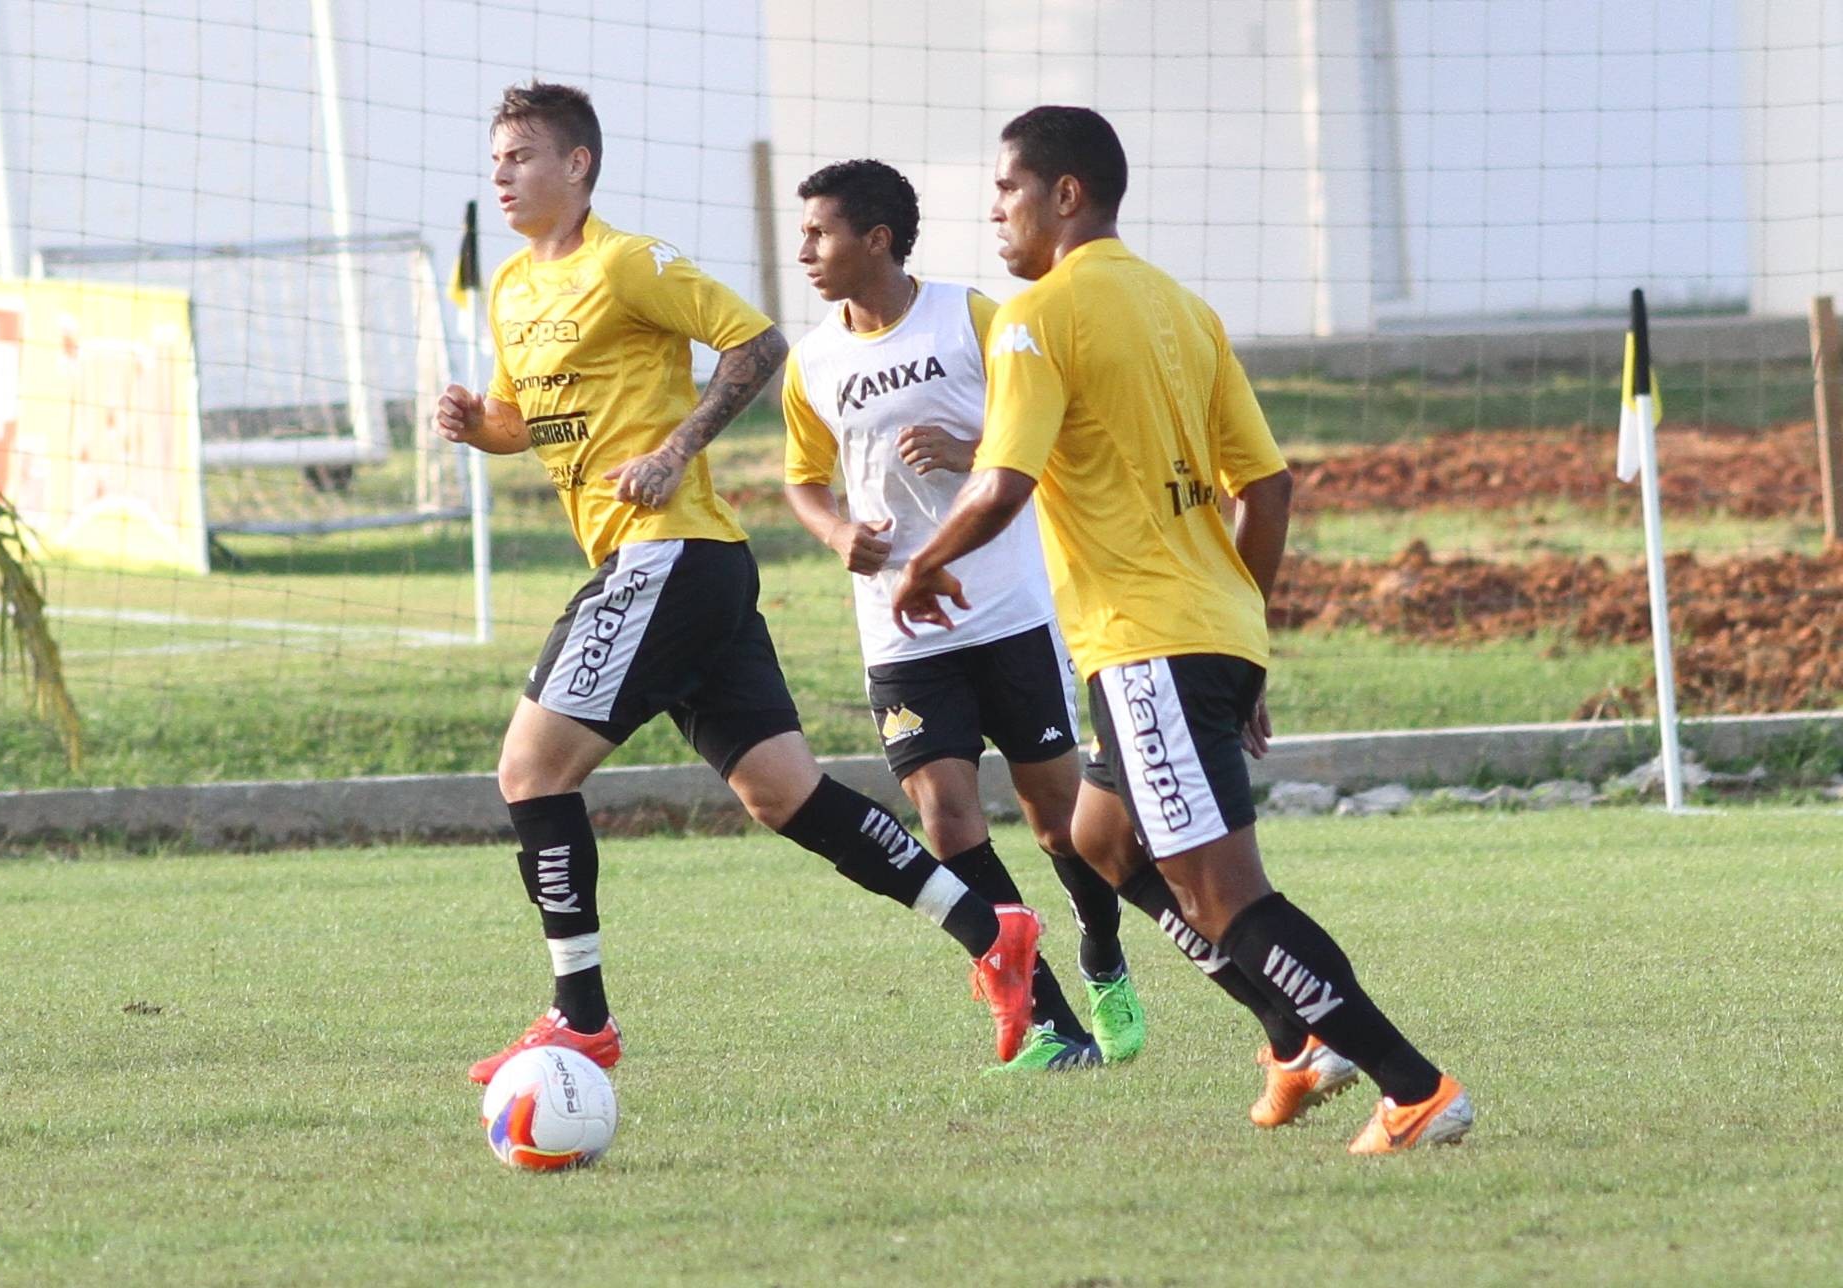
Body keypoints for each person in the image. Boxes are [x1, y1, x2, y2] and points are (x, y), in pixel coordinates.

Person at [890, 106, 1473, 1153]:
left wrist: (920, 564)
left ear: (1065, 194)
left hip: (1146, 641)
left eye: (1005, 190)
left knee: (1220, 889)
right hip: (1205, 628)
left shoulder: (1035, 316)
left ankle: (1411, 1084)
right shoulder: (1182, 308)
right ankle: (1293, 1040)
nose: (993, 212)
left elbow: (1001, 481)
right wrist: (1242, 644)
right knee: (1098, 837)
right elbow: (1269, 488)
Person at [435, 82, 1043, 1084]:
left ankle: (578, 1017)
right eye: (496, 157)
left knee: (530, 773)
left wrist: (676, 448)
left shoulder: (626, 262)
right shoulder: (510, 289)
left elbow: (755, 341)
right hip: (683, 572)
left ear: (577, 166)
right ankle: (990, 930)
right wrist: (476, 421)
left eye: (522, 156)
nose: (501, 173)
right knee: (783, 793)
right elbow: (522, 421)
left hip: (668, 552)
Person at [780, 159, 1145, 1072]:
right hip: (899, 629)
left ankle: (1101, 953)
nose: (804, 252)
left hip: (1009, 611)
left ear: (877, 239)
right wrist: (836, 534)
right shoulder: (815, 360)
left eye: (820, 233)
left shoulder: (975, 317)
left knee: (1062, 823)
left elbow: (1056, 432)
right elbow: (801, 478)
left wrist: (969, 445)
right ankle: (1053, 1023)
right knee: (947, 823)